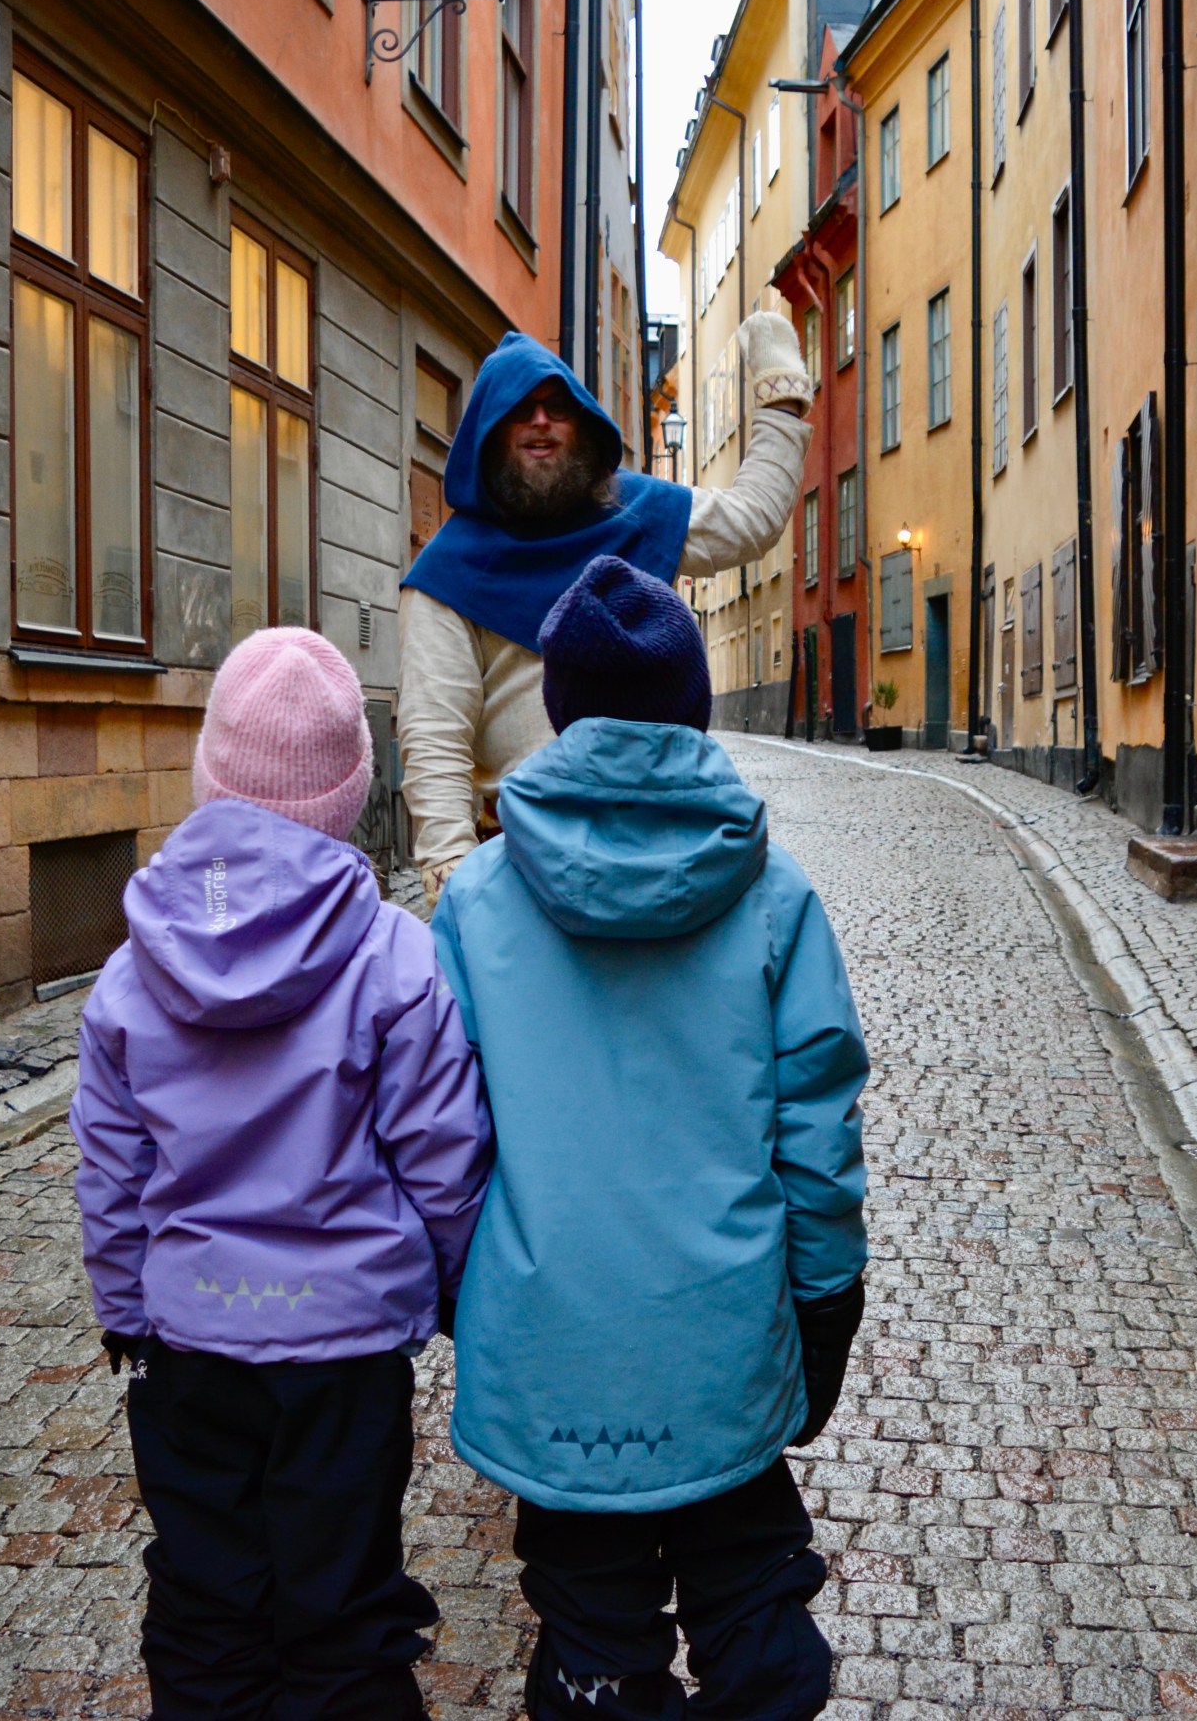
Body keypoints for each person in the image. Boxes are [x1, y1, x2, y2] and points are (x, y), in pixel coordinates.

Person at [431, 555, 871, 1721]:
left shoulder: (475, 905)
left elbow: (441, 1144)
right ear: (695, 710)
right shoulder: (774, 900)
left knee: (592, 1642)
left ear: (559, 710)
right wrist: (825, 1304)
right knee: (755, 1609)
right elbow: (818, 1139)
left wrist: (458, 1297)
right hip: (721, 1344)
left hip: (554, 1350)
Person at [68, 626, 494, 1721]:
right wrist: (452, 1293)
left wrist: (123, 1306)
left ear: (211, 772)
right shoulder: (395, 959)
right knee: (346, 1610)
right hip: (346, 1359)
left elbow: (111, 1172)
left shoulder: (132, 968)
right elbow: (445, 1162)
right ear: (351, 792)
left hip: (189, 1348)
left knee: (208, 1608)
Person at [399, 314, 813, 903]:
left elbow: (750, 521)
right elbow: (435, 741)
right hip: (523, 868)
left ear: (585, 427)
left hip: (663, 846)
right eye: (519, 409)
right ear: (488, 434)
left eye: (556, 407)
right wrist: (457, 892)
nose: (539, 420)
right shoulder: (447, 576)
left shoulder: (634, 513)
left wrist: (781, 393)